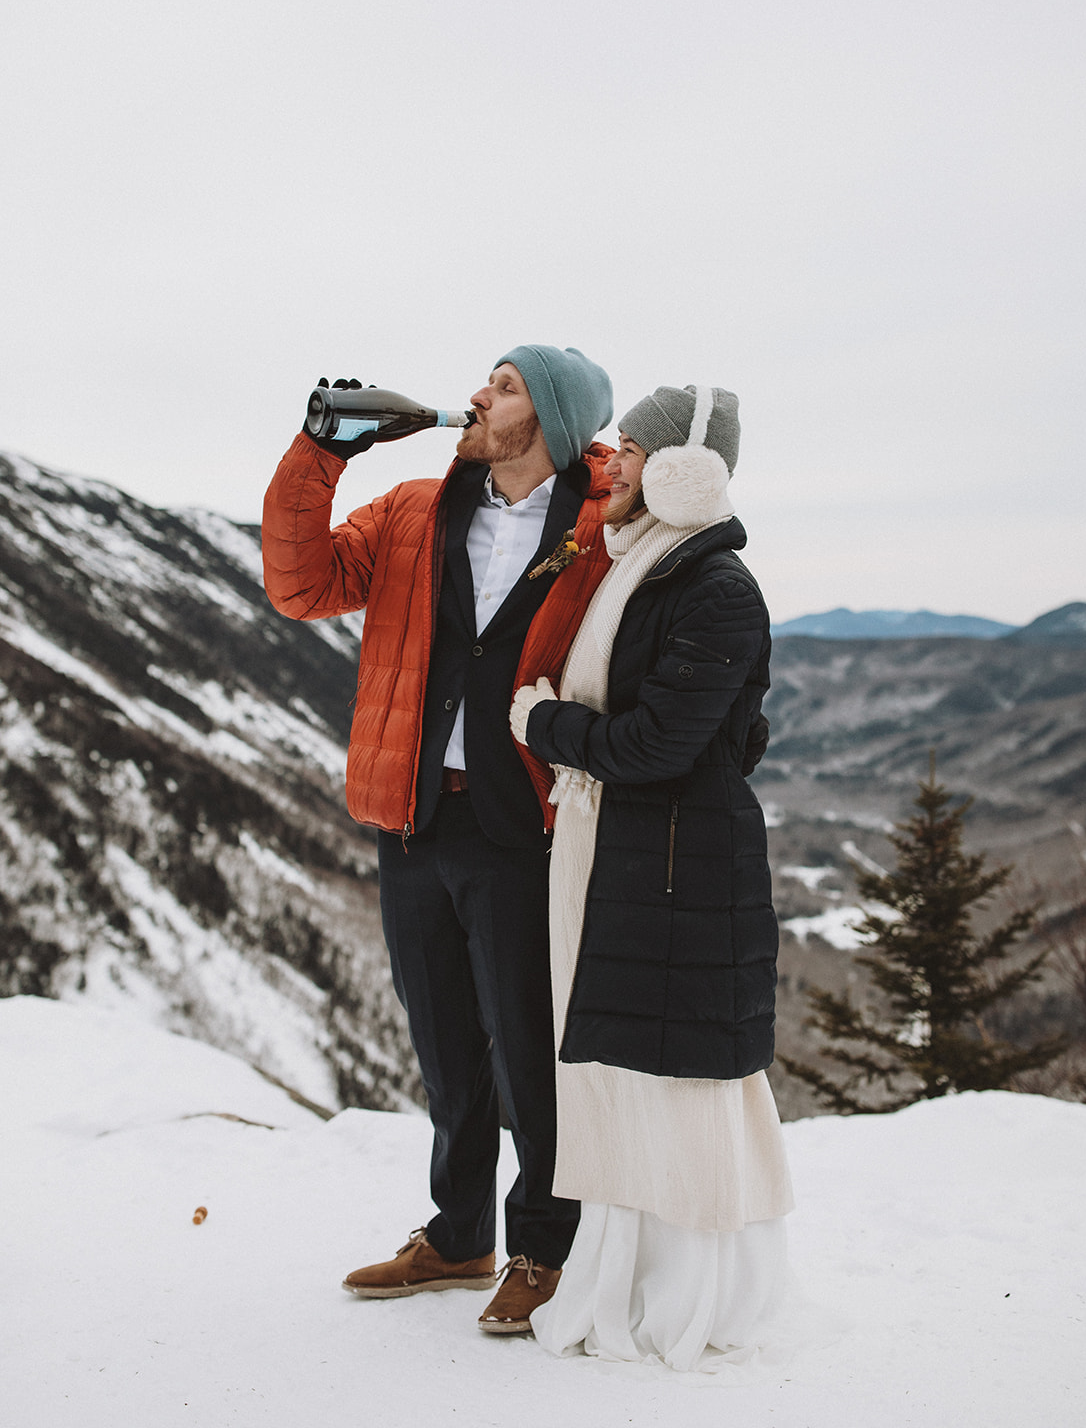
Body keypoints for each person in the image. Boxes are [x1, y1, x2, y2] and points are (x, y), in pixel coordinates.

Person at [261, 344, 614, 1333]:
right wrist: (319, 456)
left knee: (528, 1050)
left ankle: (545, 1245)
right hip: (412, 815)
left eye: (502, 386)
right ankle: (458, 1236)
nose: (474, 393)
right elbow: (301, 586)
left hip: (522, 824)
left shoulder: (597, 527)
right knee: (444, 1044)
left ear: (548, 416)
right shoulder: (416, 507)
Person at [509, 383, 794, 1371]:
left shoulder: (711, 585)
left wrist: (545, 727)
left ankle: (680, 1293)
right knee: (622, 1067)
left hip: (671, 863)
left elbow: (663, 742)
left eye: (631, 449)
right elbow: (727, 730)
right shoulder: (650, 567)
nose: (612, 463)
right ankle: (627, 1276)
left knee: (670, 1074)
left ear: (680, 467)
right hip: (636, 852)